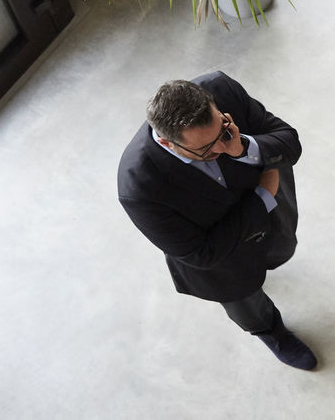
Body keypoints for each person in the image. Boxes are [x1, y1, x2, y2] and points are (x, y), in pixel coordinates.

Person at [118, 72, 317, 370]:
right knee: (248, 304)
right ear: (168, 143)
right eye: (206, 150)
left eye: (223, 131)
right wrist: (262, 196)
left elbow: (288, 143)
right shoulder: (138, 188)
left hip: (273, 216)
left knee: (282, 250)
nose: (221, 148)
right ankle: (272, 334)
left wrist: (243, 148)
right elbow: (201, 253)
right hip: (222, 263)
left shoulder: (221, 89)